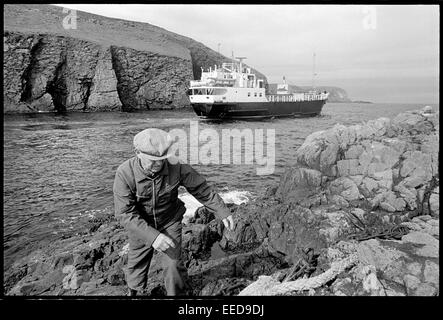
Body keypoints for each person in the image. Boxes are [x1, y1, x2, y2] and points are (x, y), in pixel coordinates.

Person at [113, 128, 235, 296]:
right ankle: (133, 292)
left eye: (162, 160)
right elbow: (125, 214)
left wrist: (222, 211)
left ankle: (176, 295)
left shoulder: (175, 165)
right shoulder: (124, 172)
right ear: (137, 153)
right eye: (153, 160)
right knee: (137, 264)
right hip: (140, 223)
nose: (158, 165)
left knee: (173, 265)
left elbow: (201, 189)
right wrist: (153, 237)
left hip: (169, 220)